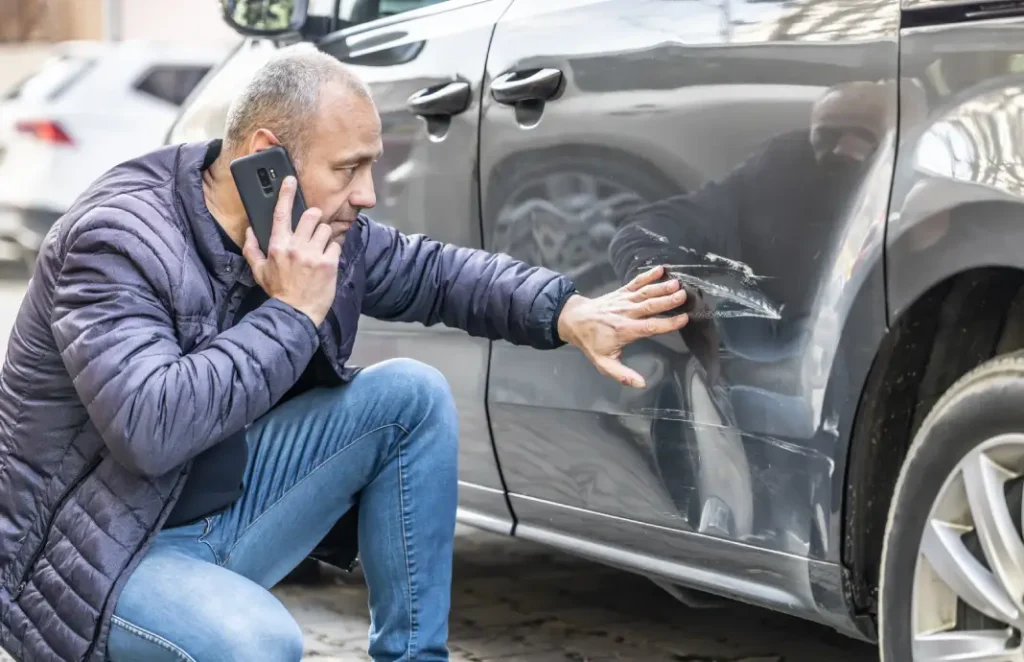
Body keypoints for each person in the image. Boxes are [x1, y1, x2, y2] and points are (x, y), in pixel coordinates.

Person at [0, 45, 689, 662]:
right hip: (97, 561)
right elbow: (151, 429)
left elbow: (436, 273)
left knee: (408, 397)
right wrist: (292, 312)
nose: (367, 195)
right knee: (258, 643)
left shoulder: (310, 227)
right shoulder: (118, 240)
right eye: (348, 168)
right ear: (264, 157)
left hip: (215, 515)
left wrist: (568, 312)